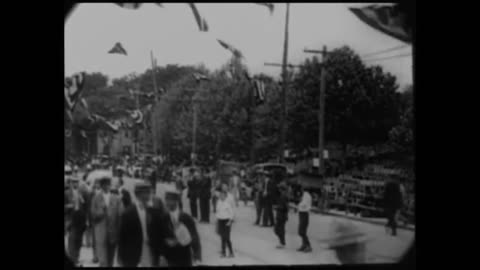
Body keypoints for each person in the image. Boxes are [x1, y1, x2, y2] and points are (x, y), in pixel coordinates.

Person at [117, 183, 167, 267]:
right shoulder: (128, 213)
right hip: (134, 250)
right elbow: (122, 236)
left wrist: (162, 254)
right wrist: (121, 255)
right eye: (144, 193)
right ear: (137, 194)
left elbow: (160, 234)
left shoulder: (155, 212)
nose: (147, 195)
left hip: (151, 249)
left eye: (148, 192)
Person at [162, 187, 202, 266]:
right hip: (169, 256)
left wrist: (197, 256)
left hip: (184, 255)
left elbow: (194, 236)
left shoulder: (185, 217)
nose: (167, 203)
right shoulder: (163, 217)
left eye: (170, 200)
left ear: (176, 201)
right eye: (166, 200)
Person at [90, 177, 122, 267]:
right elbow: (92, 213)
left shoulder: (116, 198)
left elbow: (120, 214)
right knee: (102, 256)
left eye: (108, 184)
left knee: (111, 254)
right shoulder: (96, 198)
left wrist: (119, 229)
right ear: (101, 186)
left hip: (112, 230)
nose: (106, 186)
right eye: (104, 184)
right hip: (100, 229)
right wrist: (101, 211)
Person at [65, 177, 87, 266]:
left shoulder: (81, 193)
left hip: (80, 220)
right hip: (71, 219)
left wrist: (83, 201)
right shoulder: (66, 193)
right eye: (73, 182)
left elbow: (85, 207)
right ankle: (72, 259)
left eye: (76, 182)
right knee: (72, 240)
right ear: (70, 183)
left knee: (79, 240)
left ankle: (76, 258)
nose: (75, 184)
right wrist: (69, 206)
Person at [216, 188, 235, 258]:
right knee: (222, 238)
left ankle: (231, 252)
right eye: (220, 195)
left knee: (227, 238)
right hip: (220, 221)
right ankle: (223, 252)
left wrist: (230, 221)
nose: (221, 197)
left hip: (226, 221)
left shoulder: (228, 204)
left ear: (226, 196)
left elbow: (232, 214)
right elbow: (217, 211)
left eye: (223, 196)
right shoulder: (218, 202)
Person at [297, 184, 312, 252]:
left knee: (301, 231)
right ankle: (304, 245)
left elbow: (304, 204)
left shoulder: (306, 196)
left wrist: (298, 205)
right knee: (303, 231)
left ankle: (308, 246)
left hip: (304, 214)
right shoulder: (306, 195)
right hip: (303, 214)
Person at [274, 183, 289, 249]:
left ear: (281, 189)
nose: (279, 189)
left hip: (281, 215)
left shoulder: (284, 196)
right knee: (278, 229)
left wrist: (277, 207)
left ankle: (282, 243)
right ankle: (282, 242)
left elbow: (285, 207)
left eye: (279, 188)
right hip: (281, 215)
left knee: (279, 230)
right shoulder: (283, 195)